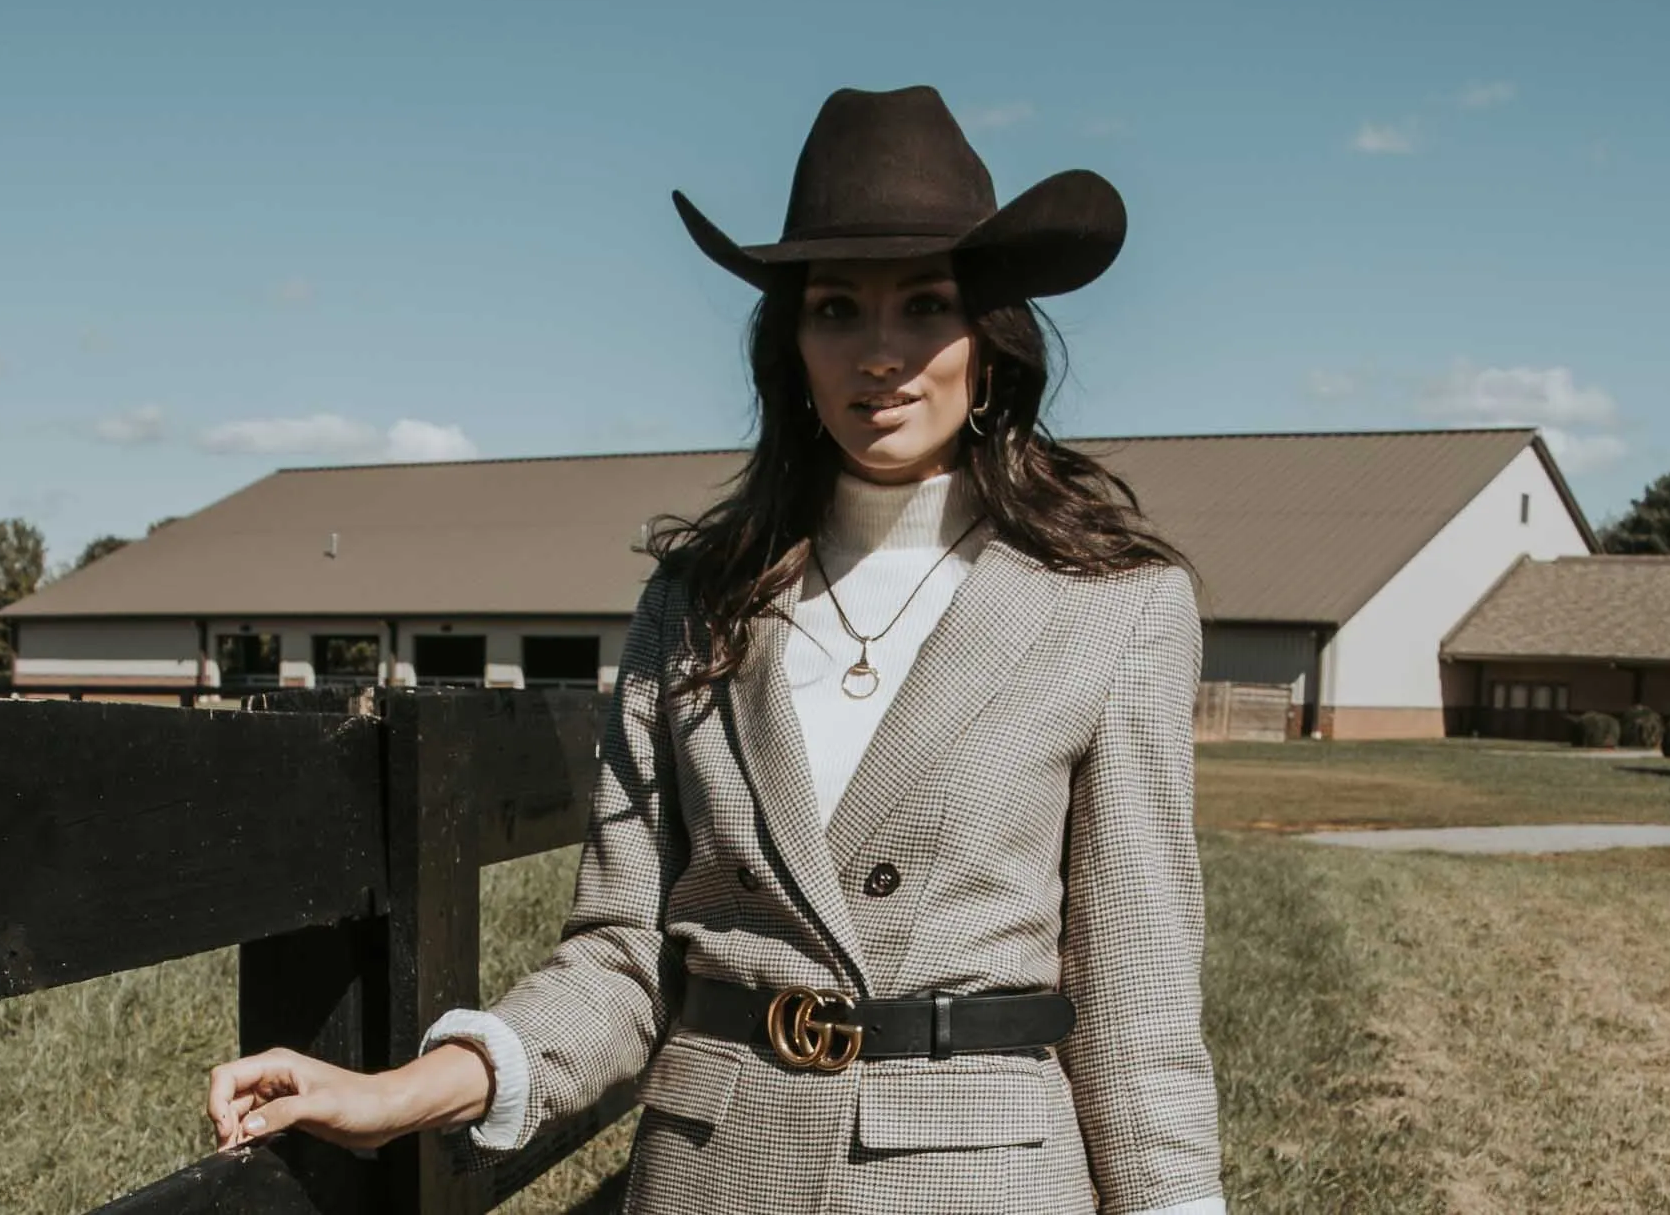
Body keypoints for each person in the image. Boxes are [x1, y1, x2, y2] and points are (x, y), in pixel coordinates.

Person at [207, 84, 1227, 1214]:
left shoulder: (1112, 604)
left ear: (985, 338)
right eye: (836, 309)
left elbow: (1136, 997)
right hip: (713, 1174)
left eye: (924, 305)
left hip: (982, 1179)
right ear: (789, 343)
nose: (880, 353)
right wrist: (401, 1091)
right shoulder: (694, 604)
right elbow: (621, 959)